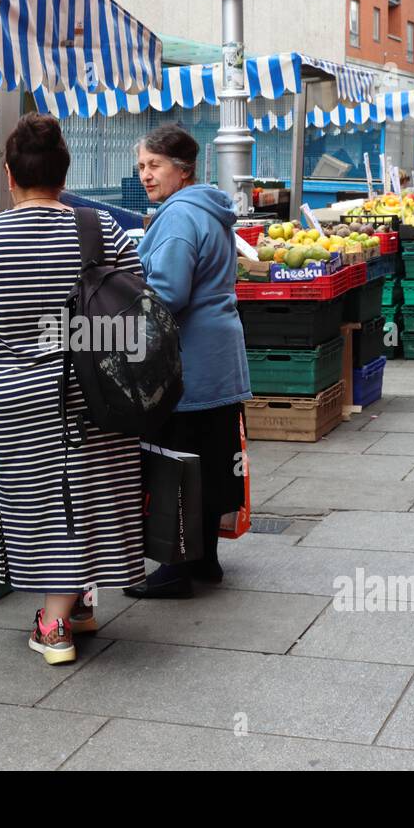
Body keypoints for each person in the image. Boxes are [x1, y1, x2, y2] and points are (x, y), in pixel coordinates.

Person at [0, 113, 146, 664]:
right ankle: (77, 602)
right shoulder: (103, 230)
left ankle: (54, 624)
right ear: (65, 171)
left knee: (37, 499)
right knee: (88, 494)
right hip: (96, 391)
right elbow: (135, 308)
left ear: (10, 175)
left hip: (15, 393)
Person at [124, 124, 252, 599]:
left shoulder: (178, 216)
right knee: (212, 457)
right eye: (141, 166)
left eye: (154, 165)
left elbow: (170, 292)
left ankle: (176, 568)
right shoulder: (209, 209)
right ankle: (207, 562)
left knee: (176, 459)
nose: (145, 175)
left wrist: (129, 290)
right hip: (219, 354)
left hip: (188, 359)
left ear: (183, 170)